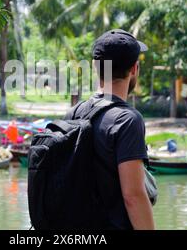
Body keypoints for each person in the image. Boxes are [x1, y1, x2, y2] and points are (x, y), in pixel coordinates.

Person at [64, 29, 155, 230]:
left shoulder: (74, 113)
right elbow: (133, 196)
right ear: (134, 69)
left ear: (96, 68)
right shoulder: (128, 120)